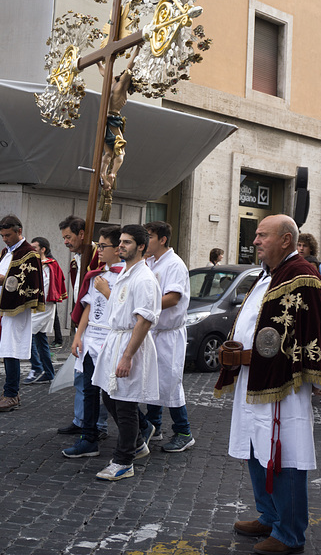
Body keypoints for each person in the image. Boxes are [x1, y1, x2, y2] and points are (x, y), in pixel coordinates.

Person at [214, 214, 321, 555]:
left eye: (261, 235)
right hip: (252, 380)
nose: (255, 241)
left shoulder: (302, 276)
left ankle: (289, 534)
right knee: (255, 448)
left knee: (285, 455)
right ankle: (269, 516)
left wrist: (313, 375)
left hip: (283, 384)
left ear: (285, 240)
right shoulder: (266, 276)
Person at [92, 224, 162, 481]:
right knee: (109, 396)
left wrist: (127, 356)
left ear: (141, 247)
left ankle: (124, 461)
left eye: (127, 242)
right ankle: (138, 442)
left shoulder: (144, 278)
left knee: (125, 404)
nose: (120, 246)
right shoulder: (125, 273)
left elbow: (144, 320)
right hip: (116, 339)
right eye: (120, 242)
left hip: (130, 343)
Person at [62, 225, 124, 458]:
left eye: (103, 246)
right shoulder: (98, 275)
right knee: (89, 391)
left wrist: (107, 291)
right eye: (98, 245)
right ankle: (88, 438)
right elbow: (88, 306)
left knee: (111, 395)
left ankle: (141, 430)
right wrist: (79, 335)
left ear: (118, 249)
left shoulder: (129, 276)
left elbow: (127, 309)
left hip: (112, 339)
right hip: (92, 340)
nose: (98, 250)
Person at [140, 221, 195, 452]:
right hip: (154, 331)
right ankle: (154, 425)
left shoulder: (174, 264)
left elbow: (173, 298)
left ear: (162, 239)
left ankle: (184, 431)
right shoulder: (150, 262)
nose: (146, 242)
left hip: (169, 334)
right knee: (154, 380)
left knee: (171, 383)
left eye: (149, 237)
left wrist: (143, 304)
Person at [0, 215, 45, 412]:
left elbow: (31, 282)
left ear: (19, 231)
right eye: (2, 235)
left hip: (15, 310)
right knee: (5, 349)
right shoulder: (6, 251)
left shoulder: (29, 253)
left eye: (8, 235)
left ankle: (11, 395)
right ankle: (8, 392)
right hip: (2, 308)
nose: (4, 239)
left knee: (11, 351)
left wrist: (5, 281)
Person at [57, 215, 102, 435]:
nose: (65, 241)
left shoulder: (98, 257)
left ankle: (97, 424)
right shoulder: (79, 257)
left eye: (68, 236)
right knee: (80, 377)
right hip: (82, 326)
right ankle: (80, 419)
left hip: (97, 327)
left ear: (82, 234)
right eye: (64, 237)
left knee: (96, 379)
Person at [23, 237, 67, 385]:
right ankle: (48, 373)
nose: (32, 250)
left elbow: (47, 287)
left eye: (35, 247)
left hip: (43, 306)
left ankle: (36, 367)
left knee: (26, 335)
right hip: (36, 306)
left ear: (43, 249)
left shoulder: (49, 265)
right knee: (41, 340)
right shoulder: (35, 264)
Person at [297, 232, 321, 405]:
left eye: (304, 245)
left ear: (311, 247)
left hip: (318, 314)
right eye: (299, 245)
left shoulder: (320, 267)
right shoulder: (295, 265)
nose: (301, 248)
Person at [97, 46, 140, 191]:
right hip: (113, 120)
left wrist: (99, 63)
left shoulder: (111, 83)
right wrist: (137, 50)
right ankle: (112, 174)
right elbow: (130, 66)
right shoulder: (121, 85)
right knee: (120, 153)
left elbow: (104, 72)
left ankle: (102, 173)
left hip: (103, 120)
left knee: (108, 153)